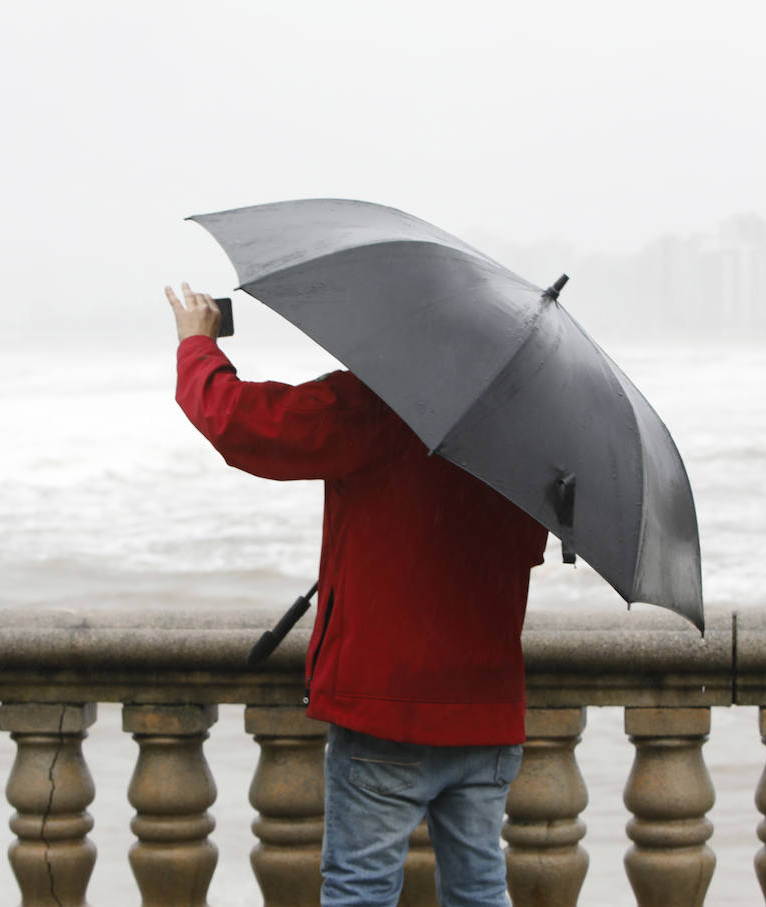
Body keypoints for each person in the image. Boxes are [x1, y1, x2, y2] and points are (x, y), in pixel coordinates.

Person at [166, 282, 547, 907]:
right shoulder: (523, 437)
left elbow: (241, 423)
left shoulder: (378, 405)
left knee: (359, 892)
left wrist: (197, 346)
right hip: (487, 710)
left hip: (386, 711)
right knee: (480, 892)